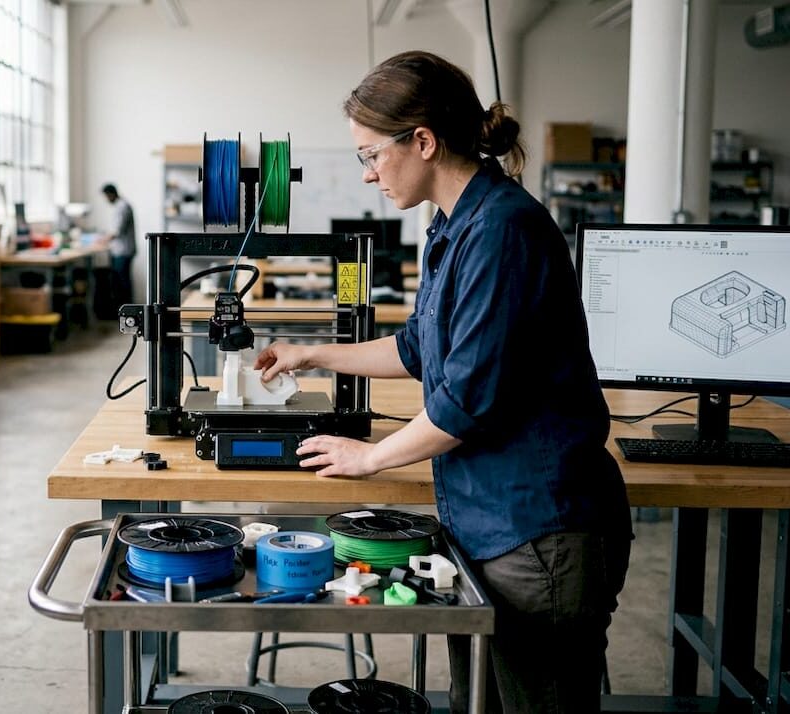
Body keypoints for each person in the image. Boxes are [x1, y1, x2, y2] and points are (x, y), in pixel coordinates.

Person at [254, 51, 632, 713]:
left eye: (371, 155)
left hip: (536, 529)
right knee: (479, 700)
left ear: (422, 141)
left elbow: (465, 404)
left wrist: (368, 457)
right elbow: (417, 348)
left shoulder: (503, 231)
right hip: (488, 523)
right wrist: (312, 354)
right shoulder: (453, 227)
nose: (369, 175)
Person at [100, 183, 136, 308]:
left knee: (122, 282)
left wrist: (101, 240)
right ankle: (123, 309)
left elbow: (117, 231)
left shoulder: (123, 207)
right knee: (120, 281)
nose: (106, 200)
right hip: (120, 250)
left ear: (110, 194)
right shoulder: (120, 206)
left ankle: (127, 310)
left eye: (106, 197)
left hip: (123, 251)